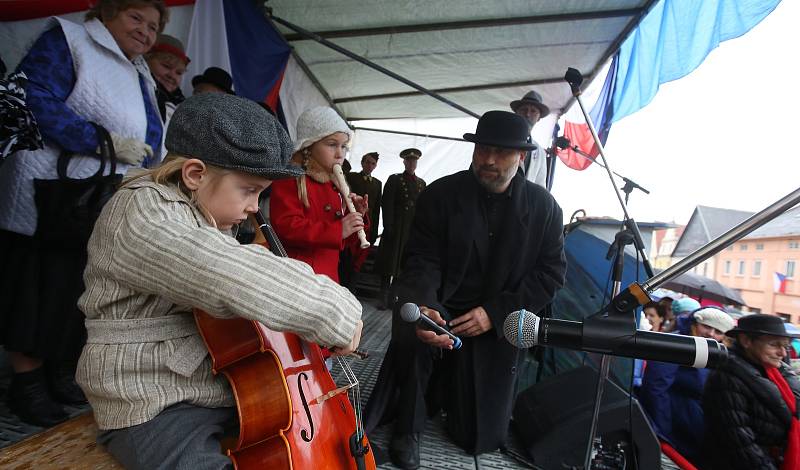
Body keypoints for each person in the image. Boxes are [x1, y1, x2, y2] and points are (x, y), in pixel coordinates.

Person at [76, 93, 364, 470]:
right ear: (195, 174)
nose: (253, 209)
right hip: (150, 401)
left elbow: (242, 262)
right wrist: (333, 310)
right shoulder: (141, 211)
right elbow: (225, 271)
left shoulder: (203, 211)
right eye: (249, 191)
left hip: (217, 389)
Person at [364, 111, 566, 468]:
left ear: (521, 157)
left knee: (478, 438)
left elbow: (550, 274)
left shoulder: (544, 208)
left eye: (500, 153)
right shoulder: (441, 194)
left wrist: (495, 313)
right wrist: (425, 307)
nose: (488, 160)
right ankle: (408, 429)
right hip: (440, 306)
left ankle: (449, 399)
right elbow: (421, 259)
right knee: (412, 333)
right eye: (483, 149)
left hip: (496, 320)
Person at [0, 0, 166, 427]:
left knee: (76, 288)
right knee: (38, 286)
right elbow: (32, 97)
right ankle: (26, 382)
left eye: (153, 26)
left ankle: (58, 370)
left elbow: (149, 137)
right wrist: (98, 138)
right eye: (136, 18)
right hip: (52, 192)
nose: (146, 32)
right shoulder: (69, 40)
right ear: (107, 14)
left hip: (99, 198)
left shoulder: (138, 70)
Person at [269, 106, 369, 284]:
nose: (340, 154)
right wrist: (338, 229)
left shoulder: (335, 184)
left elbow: (342, 242)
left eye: (344, 146)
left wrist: (355, 217)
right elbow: (286, 227)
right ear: (309, 145)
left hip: (328, 278)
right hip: (299, 277)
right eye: (332, 144)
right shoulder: (290, 178)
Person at [638, 306, 734, 465]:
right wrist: (664, 433)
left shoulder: (713, 350)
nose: (711, 334)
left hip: (691, 429)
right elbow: (656, 388)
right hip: (673, 430)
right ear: (695, 324)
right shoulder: (677, 343)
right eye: (707, 326)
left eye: (718, 331)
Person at [703, 314, 800, 470]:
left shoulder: (776, 372)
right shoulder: (727, 377)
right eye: (774, 345)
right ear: (746, 341)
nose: (782, 353)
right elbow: (740, 443)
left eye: (786, 346)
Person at [376, 148, 426, 306]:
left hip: (410, 230)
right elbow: (387, 203)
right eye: (409, 161)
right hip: (396, 227)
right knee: (389, 263)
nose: (412, 163)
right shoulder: (395, 179)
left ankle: (393, 298)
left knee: (402, 265)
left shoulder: (421, 183)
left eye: (414, 161)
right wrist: (388, 225)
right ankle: (383, 297)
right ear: (404, 162)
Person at [145, 34, 189, 125]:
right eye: (166, 66)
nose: (172, 76)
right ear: (146, 60)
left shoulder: (185, 109)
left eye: (179, 73)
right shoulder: (134, 88)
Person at [509, 90, 549, 187]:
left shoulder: (540, 153)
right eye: (524, 109)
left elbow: (541, 186)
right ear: (516, 113)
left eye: (533, 111)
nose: (527, 114)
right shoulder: (500, 139)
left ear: (539, 118)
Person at [347, 152, 382, 243]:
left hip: (368, 222)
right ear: (362, 163)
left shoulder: (377, 183)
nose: (370, 165)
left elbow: (376, 209)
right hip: (352, 218)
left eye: (373, 163)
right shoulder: (352, 177)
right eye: (367, 162)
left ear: (376, 166)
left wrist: (374, 229)